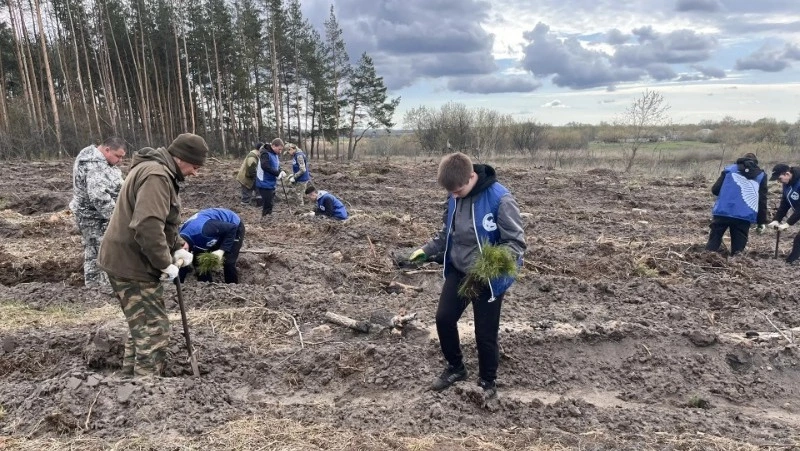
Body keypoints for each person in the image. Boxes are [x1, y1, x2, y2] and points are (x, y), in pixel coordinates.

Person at [408, 152, 526, 399]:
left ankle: (487, 381)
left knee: (485, 333)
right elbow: (446, 234)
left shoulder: (500, 199)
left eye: (458, 191)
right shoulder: (454, 196)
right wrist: (426, 250)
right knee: (443, 319)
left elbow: (516, 243)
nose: (454, 196)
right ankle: (456, 367)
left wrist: (488, 266)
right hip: (460, 270)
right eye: (450, 192)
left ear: (471, 177)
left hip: (488, 278)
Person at [98, 134, 208, 377]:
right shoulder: (157, 176)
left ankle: (128, 382)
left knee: (142, 327)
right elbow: (147, 225)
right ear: (181, 159)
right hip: (131, 264)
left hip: (126, 259)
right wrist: (165, 263)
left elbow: (163, 221)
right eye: (195, 167)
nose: (195, 173)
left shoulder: (158, 170)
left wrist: (177, 245)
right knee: (154, 330)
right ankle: (147, 392)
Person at [69, 137, 127, 287]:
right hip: (92, 217)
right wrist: (118, 218)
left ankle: (96, 287)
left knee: (94, 250)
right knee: (100, 251)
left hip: (95, 216)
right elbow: (99, 197)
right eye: (118, 156)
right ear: (107, 150)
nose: (120, 160)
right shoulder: (95, 166)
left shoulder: (98, 160)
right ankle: (98, 288)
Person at [705, 153, 768, 256]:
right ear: (756, 163)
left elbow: (715, 190)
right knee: (738, 250)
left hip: (723, 212)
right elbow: (762, 200)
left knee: (713, 242)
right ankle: (735, 266)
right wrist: (761, 222)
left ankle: (705, 262)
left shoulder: (729, 170)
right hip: (744, 216)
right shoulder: (761, 176)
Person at [178, 208, 245, 284]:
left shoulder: (205, 229)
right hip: (214, 231)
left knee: (228, 262)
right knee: (200, 261)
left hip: (233, 226)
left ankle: (233, 286)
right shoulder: (178, 236)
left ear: (185, 246)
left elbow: (232, 228)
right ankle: (206, 285)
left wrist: (221, 250)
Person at [768, 163, 800, 263]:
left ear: (787, 174)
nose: (778, 181)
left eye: (779, 178)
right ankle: (791, 261)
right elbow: (785, 203)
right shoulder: (786, 184)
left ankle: (791, 262)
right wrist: (776, 220)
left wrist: (788, 223)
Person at [255, 138, 287, 217]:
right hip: (264, 183)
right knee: (267, 203)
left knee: (270, 203)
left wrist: (281, 171)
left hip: (271, 182)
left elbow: (277, 165)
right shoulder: (265, 153)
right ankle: (265, 219)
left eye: (281, 150)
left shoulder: (275, 154)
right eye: (279, 149)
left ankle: (268, 217)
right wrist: (277, 173)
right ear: (273, 146)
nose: (280, 152)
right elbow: (265, 167)